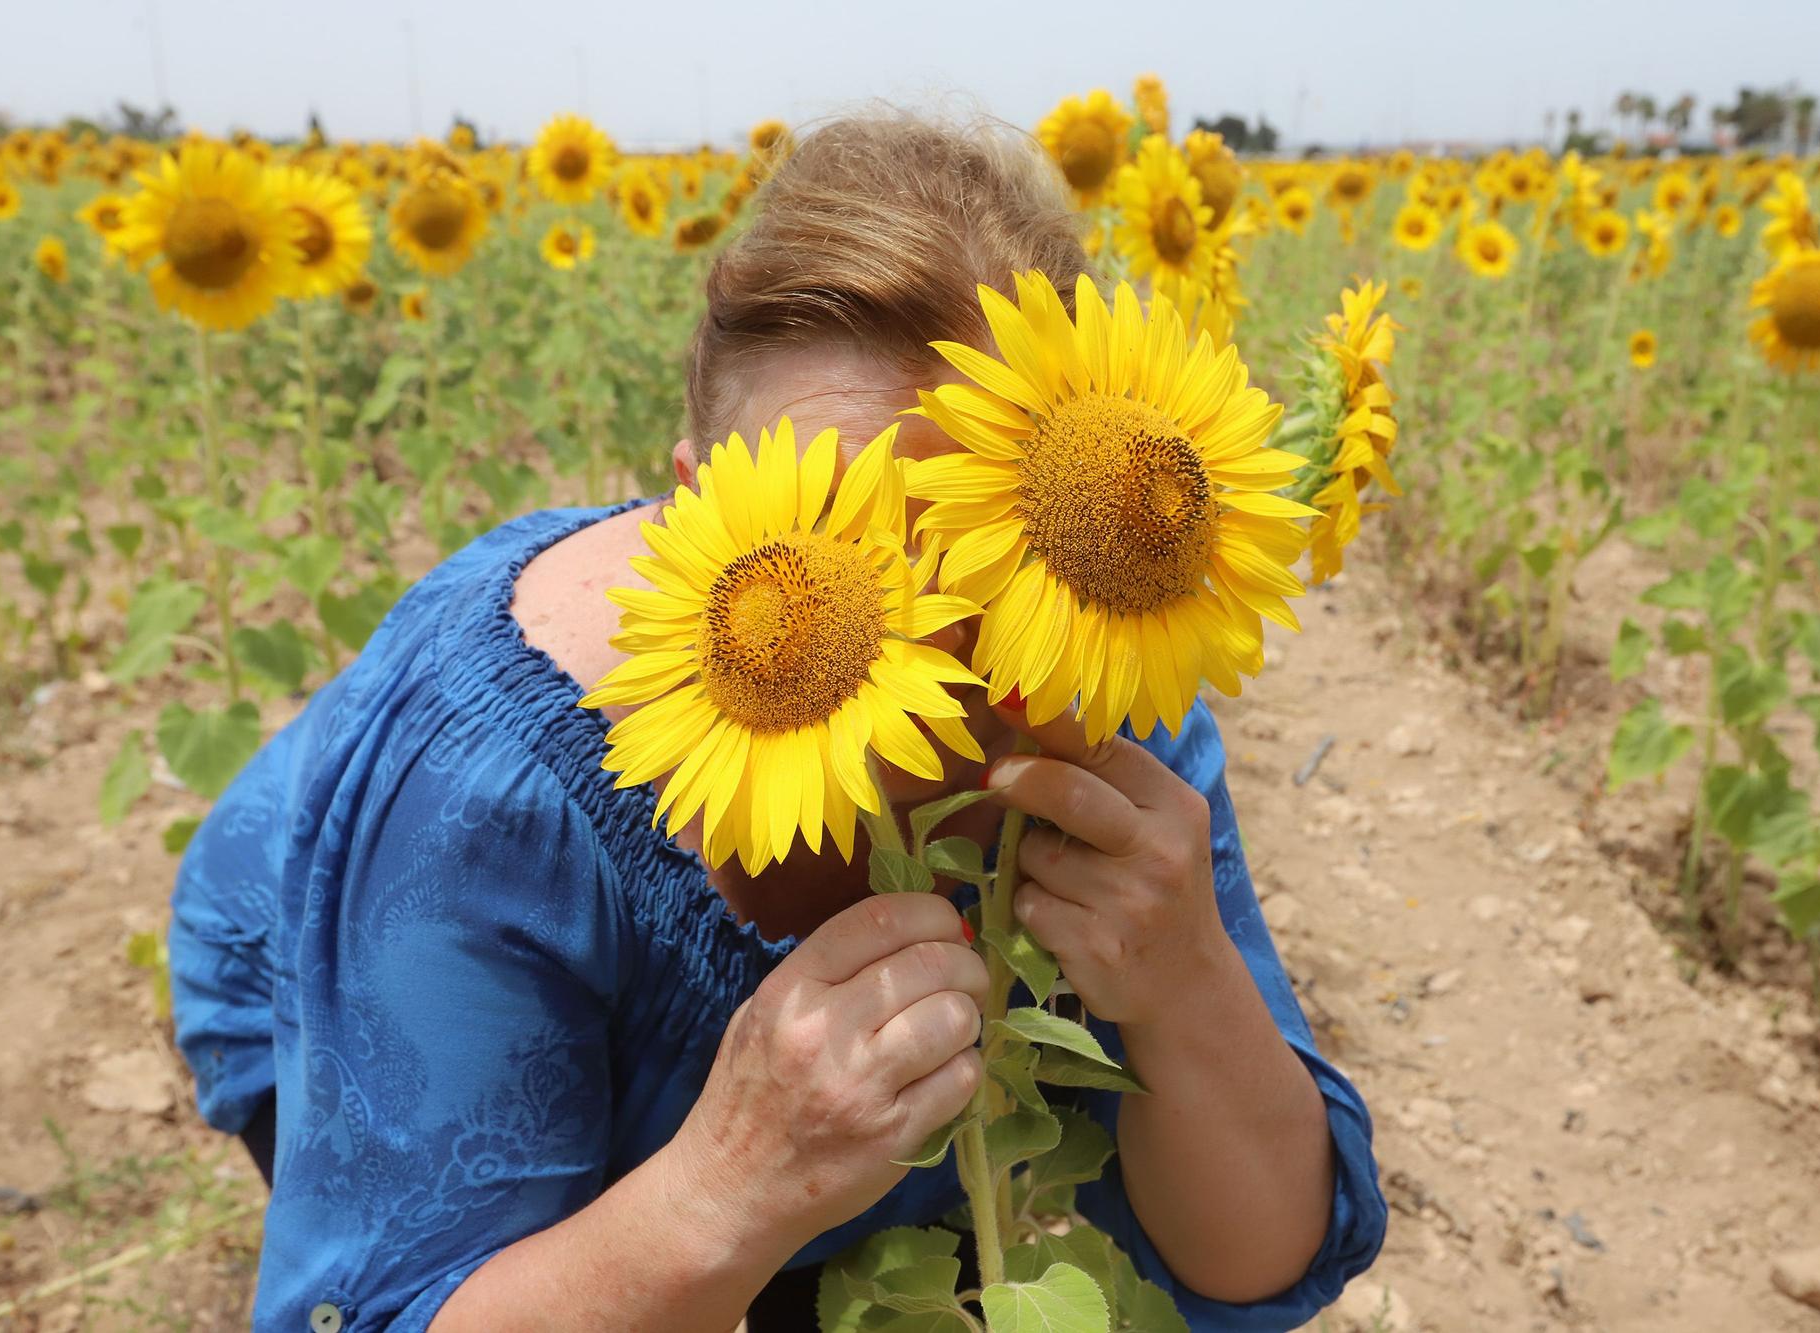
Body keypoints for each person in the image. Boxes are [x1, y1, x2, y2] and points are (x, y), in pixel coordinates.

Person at [168, 111, 1386, 1332]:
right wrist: (726, 1189)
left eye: (984, 547)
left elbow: (1258, 1252)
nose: (923, 633)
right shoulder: (484, 793)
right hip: (328, 959)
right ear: (703, 504)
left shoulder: (1090, 660)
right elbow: (400, 1303)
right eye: (847, 547)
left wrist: (1184, 988)